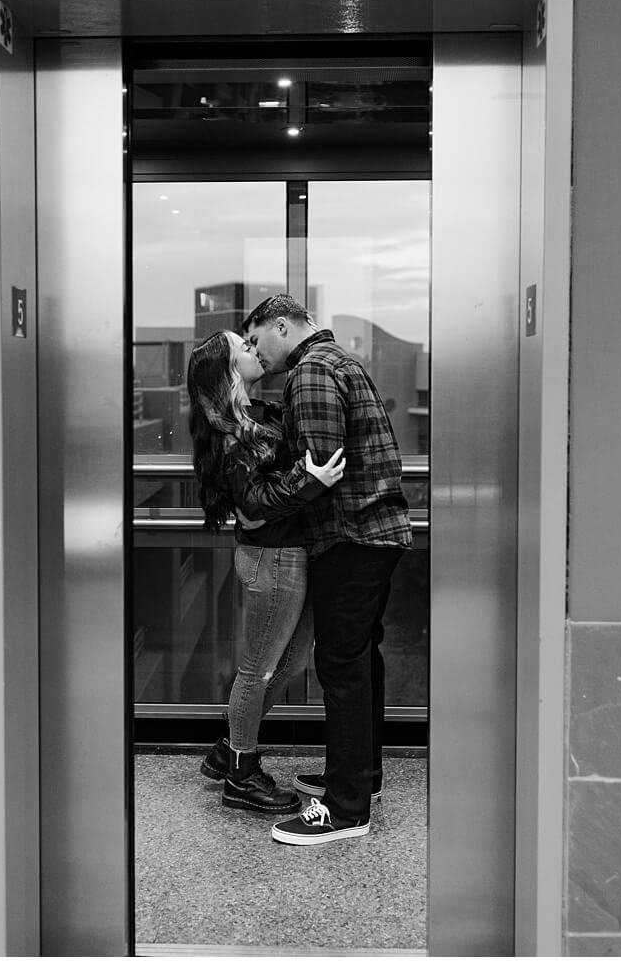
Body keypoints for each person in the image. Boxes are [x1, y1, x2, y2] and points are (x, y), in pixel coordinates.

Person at [240, 294, 413, 846]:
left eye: (257, 339)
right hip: (374, 535)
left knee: (340, 666)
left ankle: (344, 810)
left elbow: (320, 465)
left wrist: (269, 485)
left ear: (282, 325)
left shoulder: (311, 372)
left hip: (349, 535)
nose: (256, 353)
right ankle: (361, 778)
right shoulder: (340, 361)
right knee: (361, 660)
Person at [186, 330, 346, 814]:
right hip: (271, 558)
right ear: (227, 372)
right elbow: (254, 509)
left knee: (292, 663)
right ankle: (241, 771)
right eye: (245, 349)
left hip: (285, 555)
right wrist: (309, 481)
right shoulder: (231, 431)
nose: (255, 352)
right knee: (259, 668)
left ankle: (228, 744)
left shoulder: (251, 419)